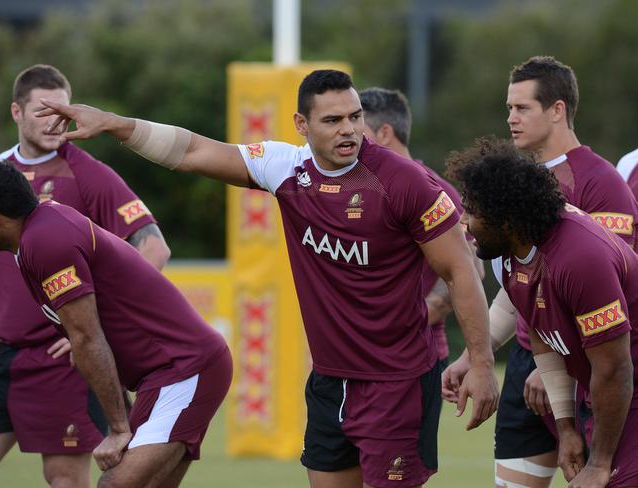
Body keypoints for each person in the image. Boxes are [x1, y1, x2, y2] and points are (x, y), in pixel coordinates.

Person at [38, 69, 499, 488]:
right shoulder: (286, 168)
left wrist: (480, 362)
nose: (349, 130)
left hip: (397, 383)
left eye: (355, 117)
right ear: (302, 125)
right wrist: (113, 123)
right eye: (333, 120)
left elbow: (460, 270)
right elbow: (193, 151)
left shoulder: (403, 182)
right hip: (329, 381)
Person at [442, 56, 638, 488]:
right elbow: (522, 299)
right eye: (508, 108)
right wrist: (476, 354)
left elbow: (608, 324)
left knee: (599, 472)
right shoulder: (512, 221)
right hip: (545, 356)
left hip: (598, 363)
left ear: (557, 109)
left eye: (522, 107)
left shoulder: (597, 188)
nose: (510, 119)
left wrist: (566, 376)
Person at [0, 160, 232, 487]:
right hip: (159, 377)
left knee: (115, 484)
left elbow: (87, 338)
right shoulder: (37, 232)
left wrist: (118, 428)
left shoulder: (45, 240)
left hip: (185, 369)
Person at [0, 64, 170, 487]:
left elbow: (154, 246)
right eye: (42, 111)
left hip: (60, 364)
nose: (55, 121)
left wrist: (92, 326)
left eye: (63, 111)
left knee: (66, 480)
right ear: (16, 112)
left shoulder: (87, 173)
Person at [359, 86, 484, 371]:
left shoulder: (435, 191)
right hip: (363, 356)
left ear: (385, 133)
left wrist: (399, 329)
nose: (349, 137)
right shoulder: (360, 190)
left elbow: (470, 268)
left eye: (358, 127)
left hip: (416, 357)